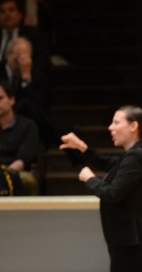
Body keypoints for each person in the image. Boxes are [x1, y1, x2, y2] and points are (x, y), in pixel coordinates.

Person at [60, 105, 142, 272]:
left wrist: (90, 179)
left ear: (133, 126)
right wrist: (81, 146)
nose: (110, 127)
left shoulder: (136, 156)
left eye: (116, 122)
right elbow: (105, 163)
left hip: (130, 241)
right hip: (125, 239)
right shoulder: (133, 155)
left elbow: (112, 194)